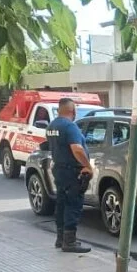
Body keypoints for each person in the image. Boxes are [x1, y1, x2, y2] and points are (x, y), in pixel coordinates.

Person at [47, 98, 92, 253]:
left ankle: (60, 238)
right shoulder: (70, 126)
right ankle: (70, 242)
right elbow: (77, 149)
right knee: (73, 205)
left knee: (61, 204)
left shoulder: (52, 126)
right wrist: (87, 166)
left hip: (59, 170)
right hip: (72, 172)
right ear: (72, 111)